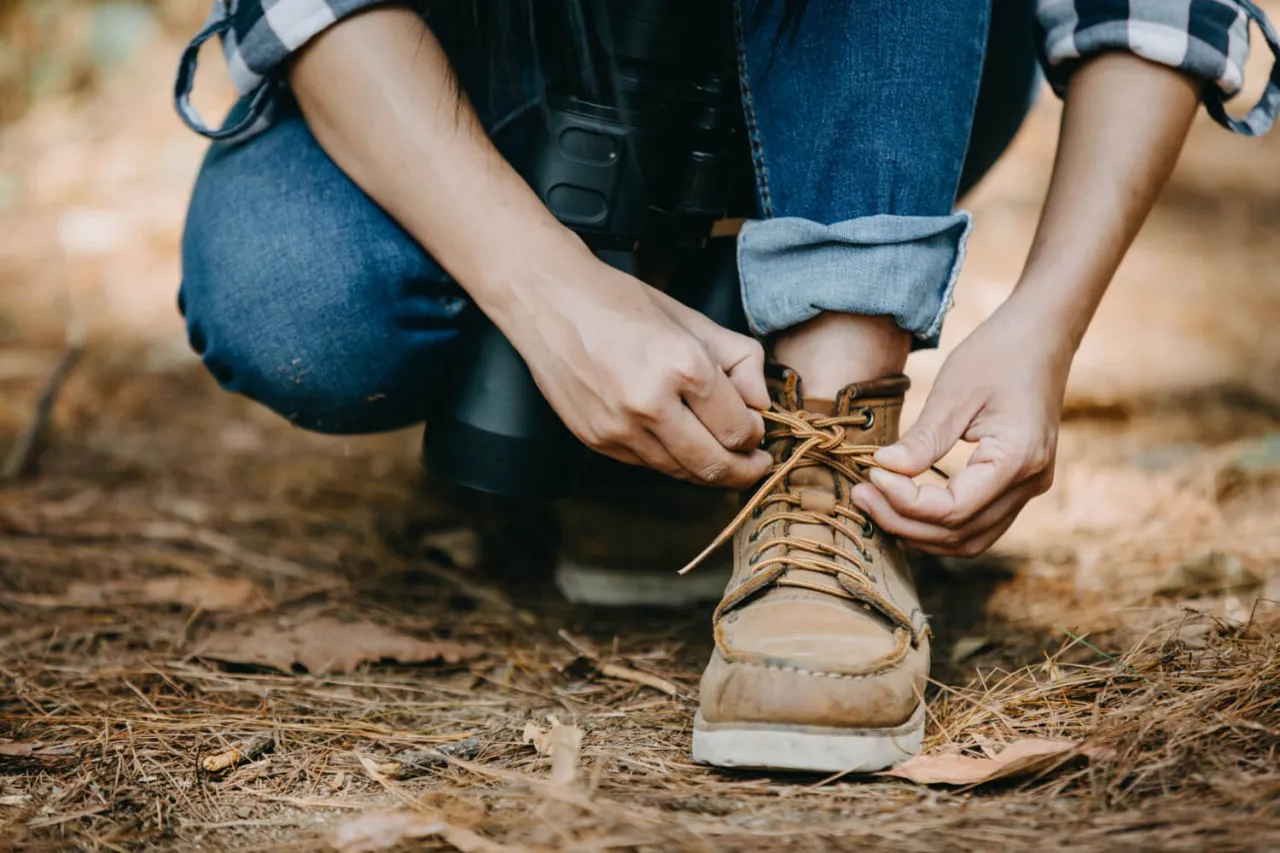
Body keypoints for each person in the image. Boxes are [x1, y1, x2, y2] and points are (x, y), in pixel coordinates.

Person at [174, 0, 1278, 772]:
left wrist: (1047, 319)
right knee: (299, 301)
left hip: (881, 42)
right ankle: (643, 434)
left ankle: (822, 440)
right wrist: (544, 287)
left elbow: (1156, 9)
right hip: (491, 41)